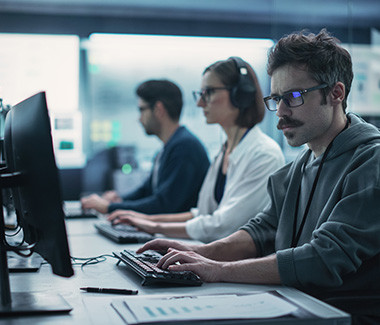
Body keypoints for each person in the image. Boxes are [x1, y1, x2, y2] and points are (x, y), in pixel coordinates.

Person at [136, 30, 380, 324]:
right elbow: (260, 231)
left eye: (293, 97)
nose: (280, 113)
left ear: (336, 93)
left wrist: (217, 269)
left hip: (343, 316)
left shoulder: (370, 162)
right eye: (277, 99)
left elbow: (324, 259)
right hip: (297, 304)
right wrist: (198, 253)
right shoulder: (298, 168)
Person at [107, 57, 285, 243]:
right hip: (213, 256)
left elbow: (222, 226)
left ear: (240, 94)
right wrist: (144, 219)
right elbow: (201, 214)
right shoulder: (224, 151)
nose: (200, 102)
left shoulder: (264, 154)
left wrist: (154, 227)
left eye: (208, 92)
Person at [81, 79, 210, 214]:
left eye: (142, 109)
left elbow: (163, 206)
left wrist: (109, 208)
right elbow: (147, 192)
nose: (139, 118)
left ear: (158, 109)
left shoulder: (184, 147)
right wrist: (119, 200)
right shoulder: (169, 147)